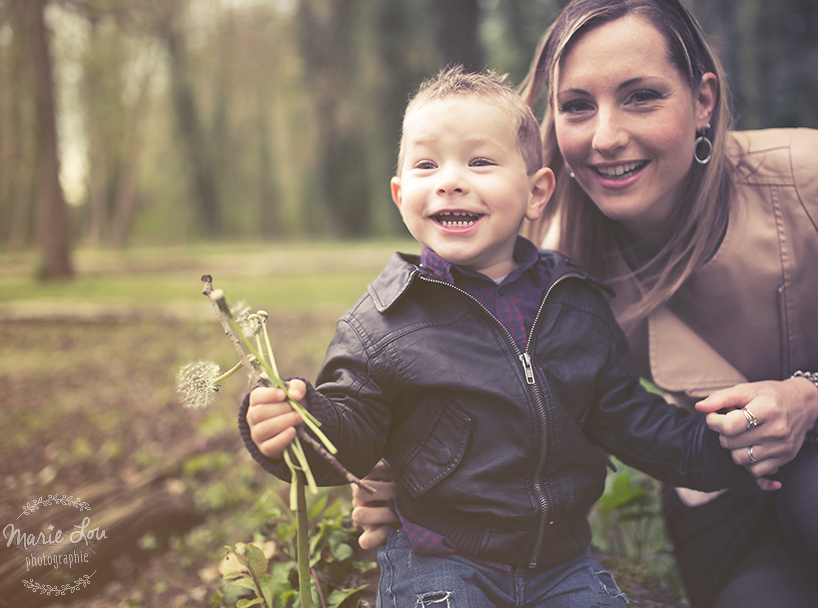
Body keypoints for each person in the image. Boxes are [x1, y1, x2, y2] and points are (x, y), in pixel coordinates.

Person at [351, 0, 818, 608]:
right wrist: (404, 473)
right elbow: (473, 373)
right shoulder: (550, 263)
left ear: (703, 101)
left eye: (641, 97)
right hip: (715, 481)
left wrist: (809, 402)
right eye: (577, 105)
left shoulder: (810, 179)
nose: (605, 136)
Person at [240, 65, 768, 608]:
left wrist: (726, 451)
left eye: (480, 161)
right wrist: (299, 427)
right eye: (426, 165)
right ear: (401, 194)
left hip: (562, 564)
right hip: (439, 562)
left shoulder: (574, 304)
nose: (449, 179)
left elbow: (628, 417)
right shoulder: (382, 323)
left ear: (537, 193)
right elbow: (350, 435)